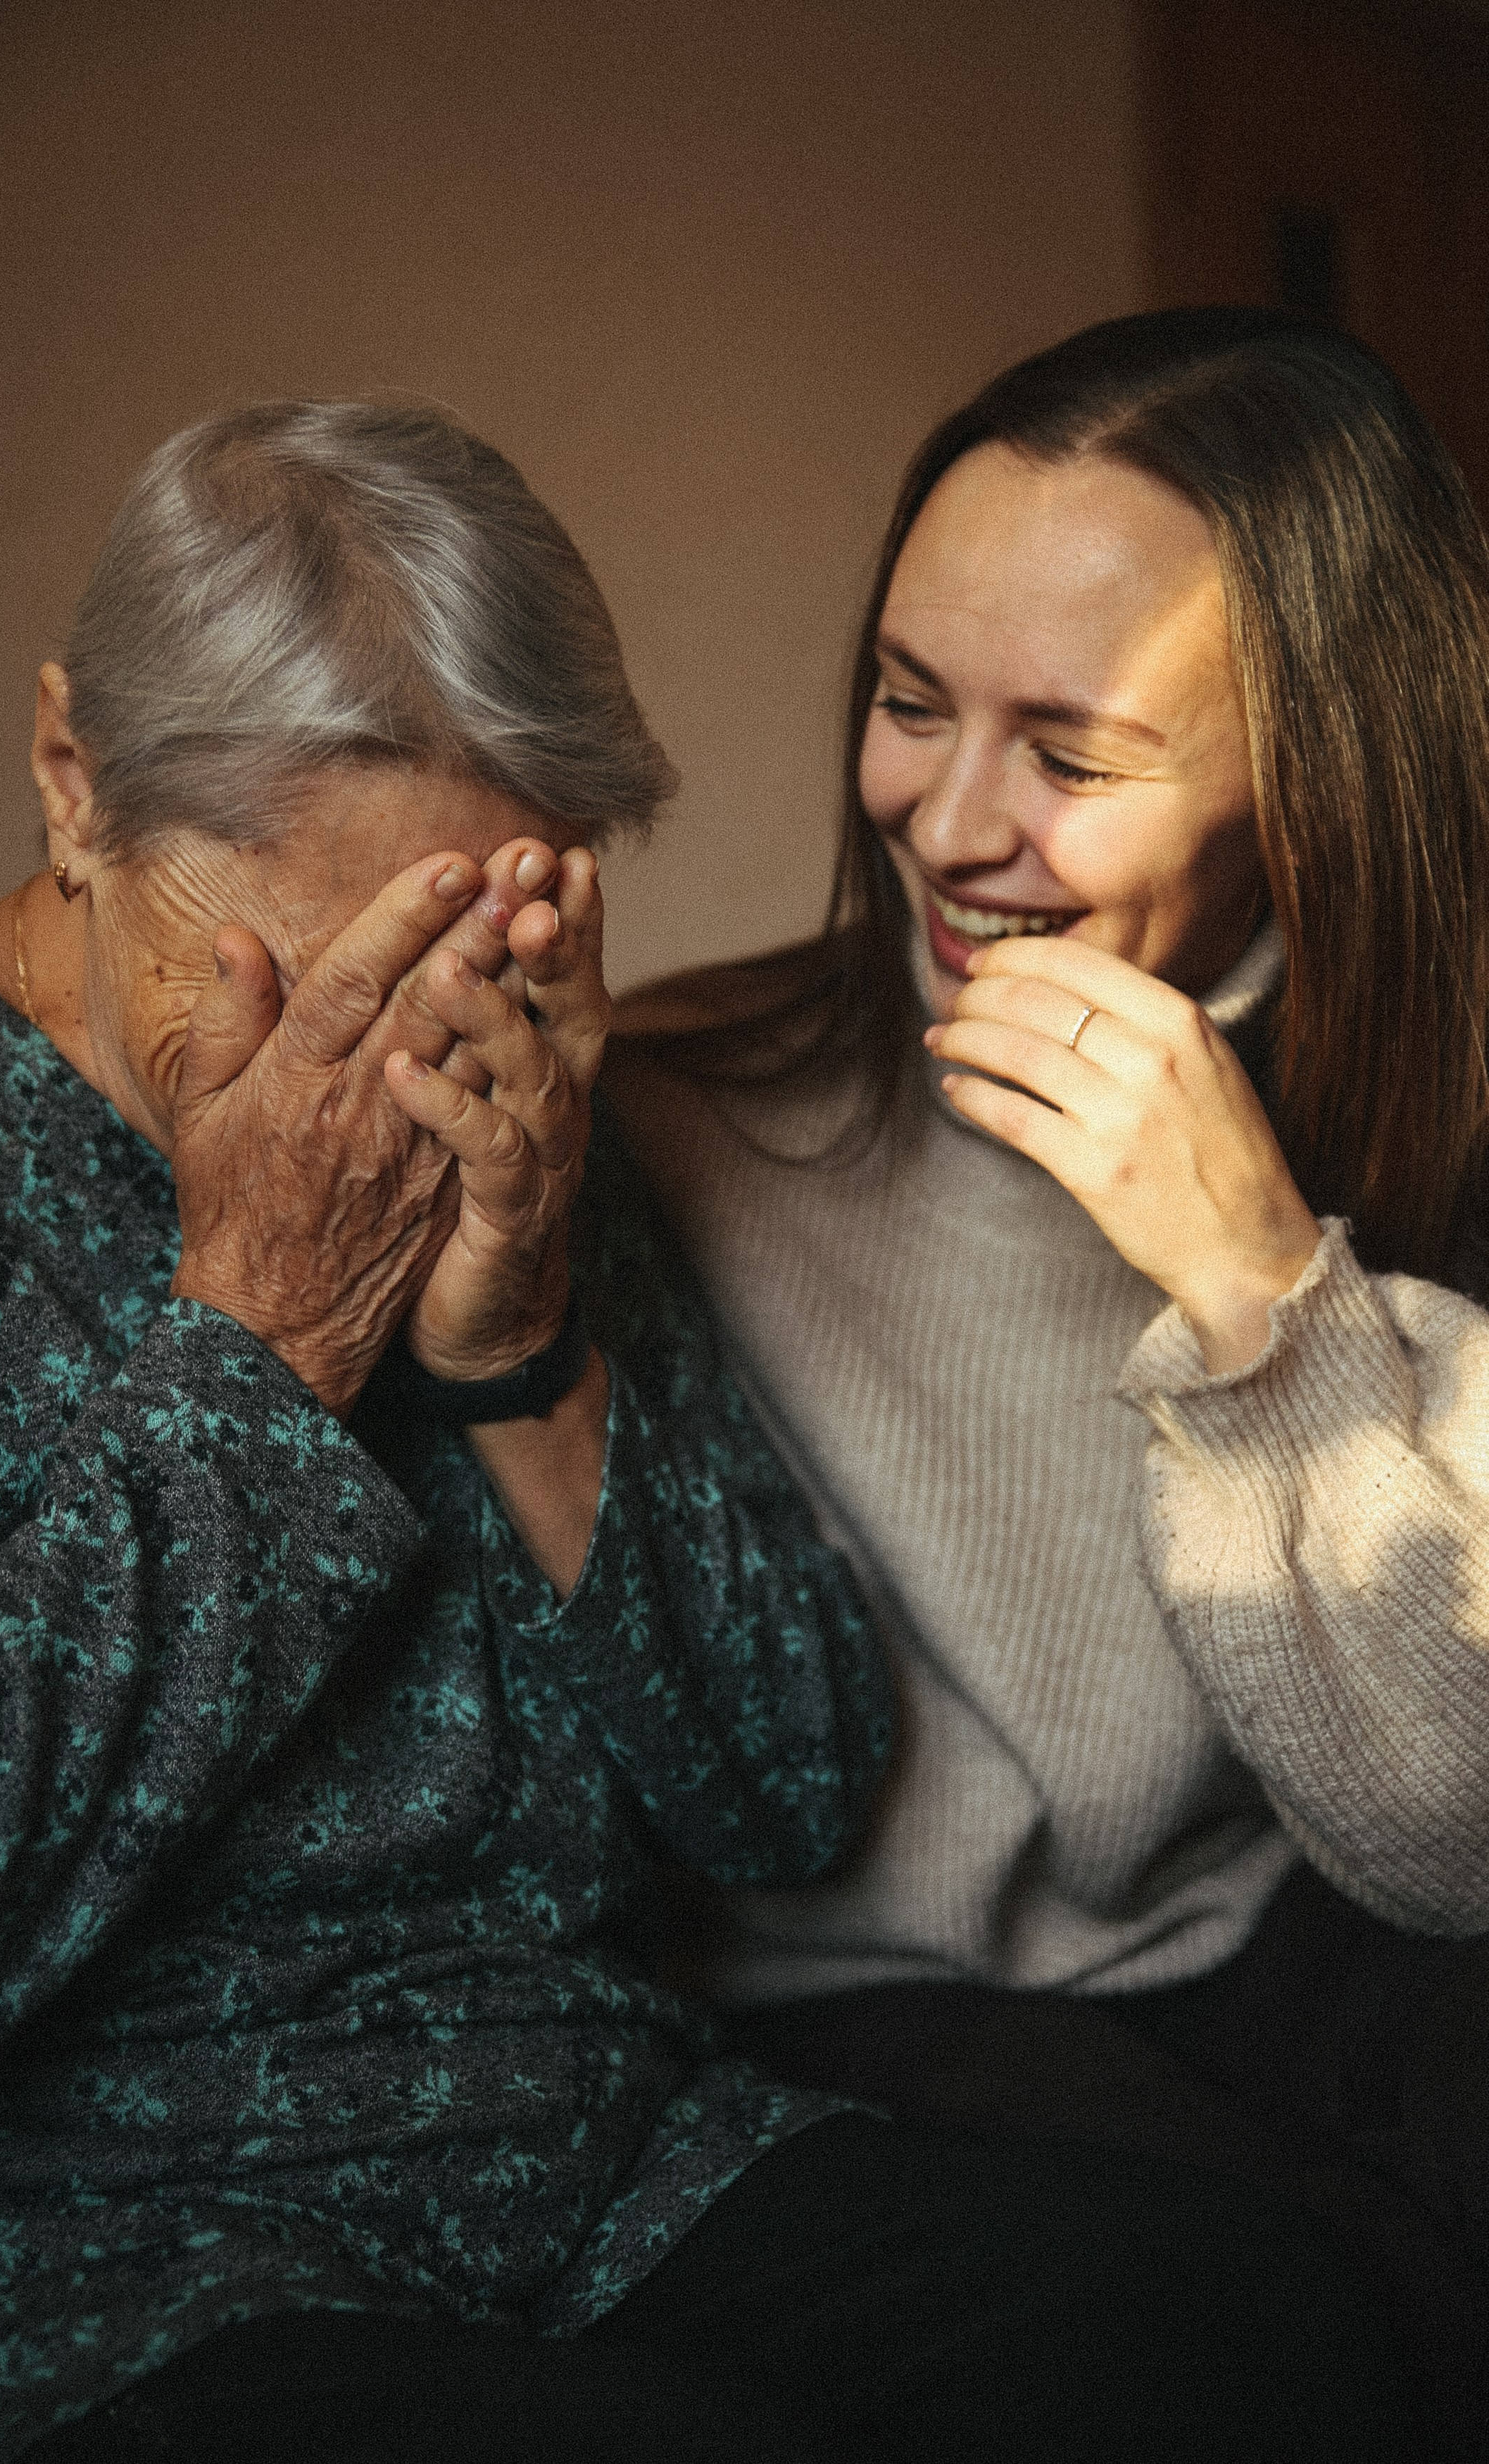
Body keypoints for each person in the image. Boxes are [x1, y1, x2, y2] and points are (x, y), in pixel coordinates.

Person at [0, 394, 1438, 2464]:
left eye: (480, 939)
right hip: (77, 2254)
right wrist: (261, 1351)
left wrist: (524, 1349)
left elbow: (785, 1785)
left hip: (597, 2158)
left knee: (1248, 2326)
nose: (399, 1053)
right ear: (77, 781)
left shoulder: (506, 1105)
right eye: (325, 957)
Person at [608, 308, 1489, 2444]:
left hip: (1272, 1948)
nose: (946, 821)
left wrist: (1262, 1290)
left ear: (1315, 778)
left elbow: (1449, 1843)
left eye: (1073, 757)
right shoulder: (656, 1122)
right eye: (910, 706)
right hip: (853, 2027)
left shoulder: (1423, 1141)